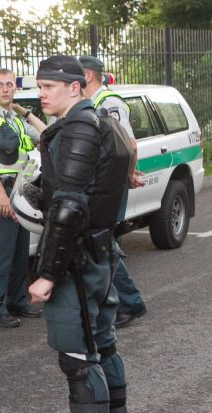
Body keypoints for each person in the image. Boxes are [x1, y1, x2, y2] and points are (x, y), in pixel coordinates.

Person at [27, 56, 139, 413]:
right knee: (104, 346)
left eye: (49, 86)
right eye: (39, 86)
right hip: (100, 251)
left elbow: (71, 207)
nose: (42, 94)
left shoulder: (78, 128)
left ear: (75, 88)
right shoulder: (102, 122)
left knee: (78, 357)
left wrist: (47, 274)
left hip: (79, 259)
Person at [79, 55, 148, 328]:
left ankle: (129, 303)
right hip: (103, 184)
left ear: (87, 76)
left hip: (109, 185)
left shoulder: (109, 103)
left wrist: (128, 175)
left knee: (103, 243)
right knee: (103, 243)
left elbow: (128, 144)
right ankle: (122, 301)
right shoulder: (95, 103)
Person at [0, 69, 46, 328]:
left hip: (21, 191)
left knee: (19, 252)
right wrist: (1, 194)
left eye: (9, 85)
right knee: (2, 252)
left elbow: (46, 134)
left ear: (14, 89)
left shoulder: (16, 120)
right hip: (2, 191)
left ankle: (17, 302)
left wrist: (25, 112)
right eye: (0, 85)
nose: (5, 89)